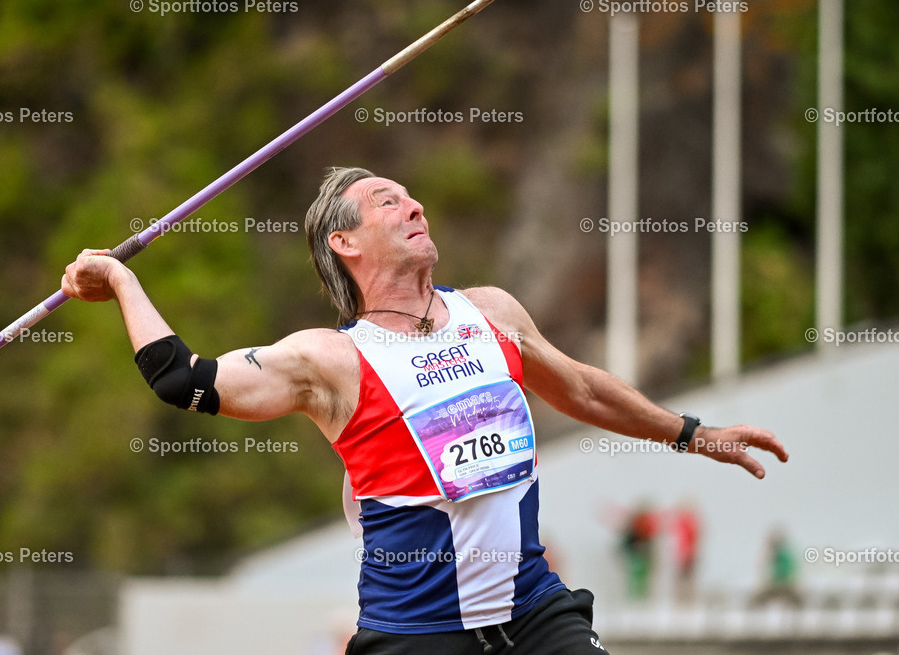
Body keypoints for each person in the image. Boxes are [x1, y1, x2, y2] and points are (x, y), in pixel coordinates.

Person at [61, 167, 789, 654]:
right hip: (417, 634)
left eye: (412, 198)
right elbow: (183, 379)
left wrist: (695, 434)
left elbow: (584, 388)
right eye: (387, 201)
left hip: (533, 611)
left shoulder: (492, 312)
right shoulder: (330, 360)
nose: (413, 206)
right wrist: (121, 280)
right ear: (343, 242)